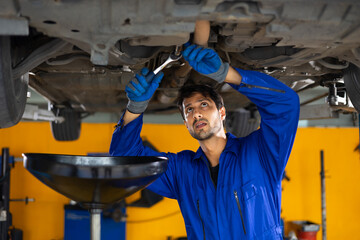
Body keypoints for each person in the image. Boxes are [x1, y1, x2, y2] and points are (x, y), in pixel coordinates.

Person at [110, 44, 300, 239]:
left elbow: (285, 104)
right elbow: (125, 161)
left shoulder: (260, 154)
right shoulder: (182, 172)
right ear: (186, 123)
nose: (197, 113)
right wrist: (135, 107)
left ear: (222, 112)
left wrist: (225, 73)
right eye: (189, 110)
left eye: (204, 104)